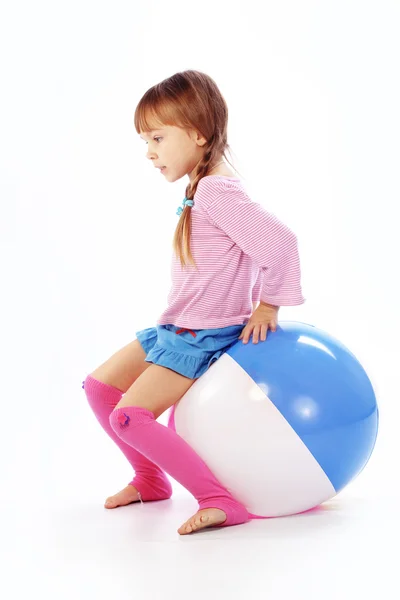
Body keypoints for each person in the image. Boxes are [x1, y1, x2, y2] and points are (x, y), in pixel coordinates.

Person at [83, 70, 305, 535]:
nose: (149, 152)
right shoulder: (200, 186)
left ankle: (218, 499)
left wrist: (269, 306)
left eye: (158, 138)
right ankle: (149, 480)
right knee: (100, 388)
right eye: (144, 140)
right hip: (177, 327)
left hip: (203, 336)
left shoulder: (216, 191)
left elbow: (281, 243)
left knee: (129, 416)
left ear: (198, 133)